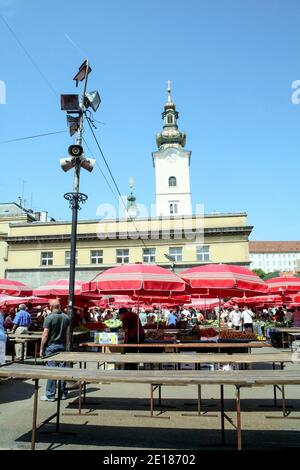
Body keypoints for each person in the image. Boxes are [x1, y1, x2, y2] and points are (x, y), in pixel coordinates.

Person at [39, 299, 70, 402]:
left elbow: (45, 334)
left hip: (51, 346)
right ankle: (63, 393)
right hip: (62, 346)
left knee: (51, 371)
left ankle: (50, 395)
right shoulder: (66, 317)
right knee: (62, 370)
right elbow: (67, 334)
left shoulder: (49, 318)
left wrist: (41, 348)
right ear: (60, 306)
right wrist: (67, 346)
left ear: (50, 307)